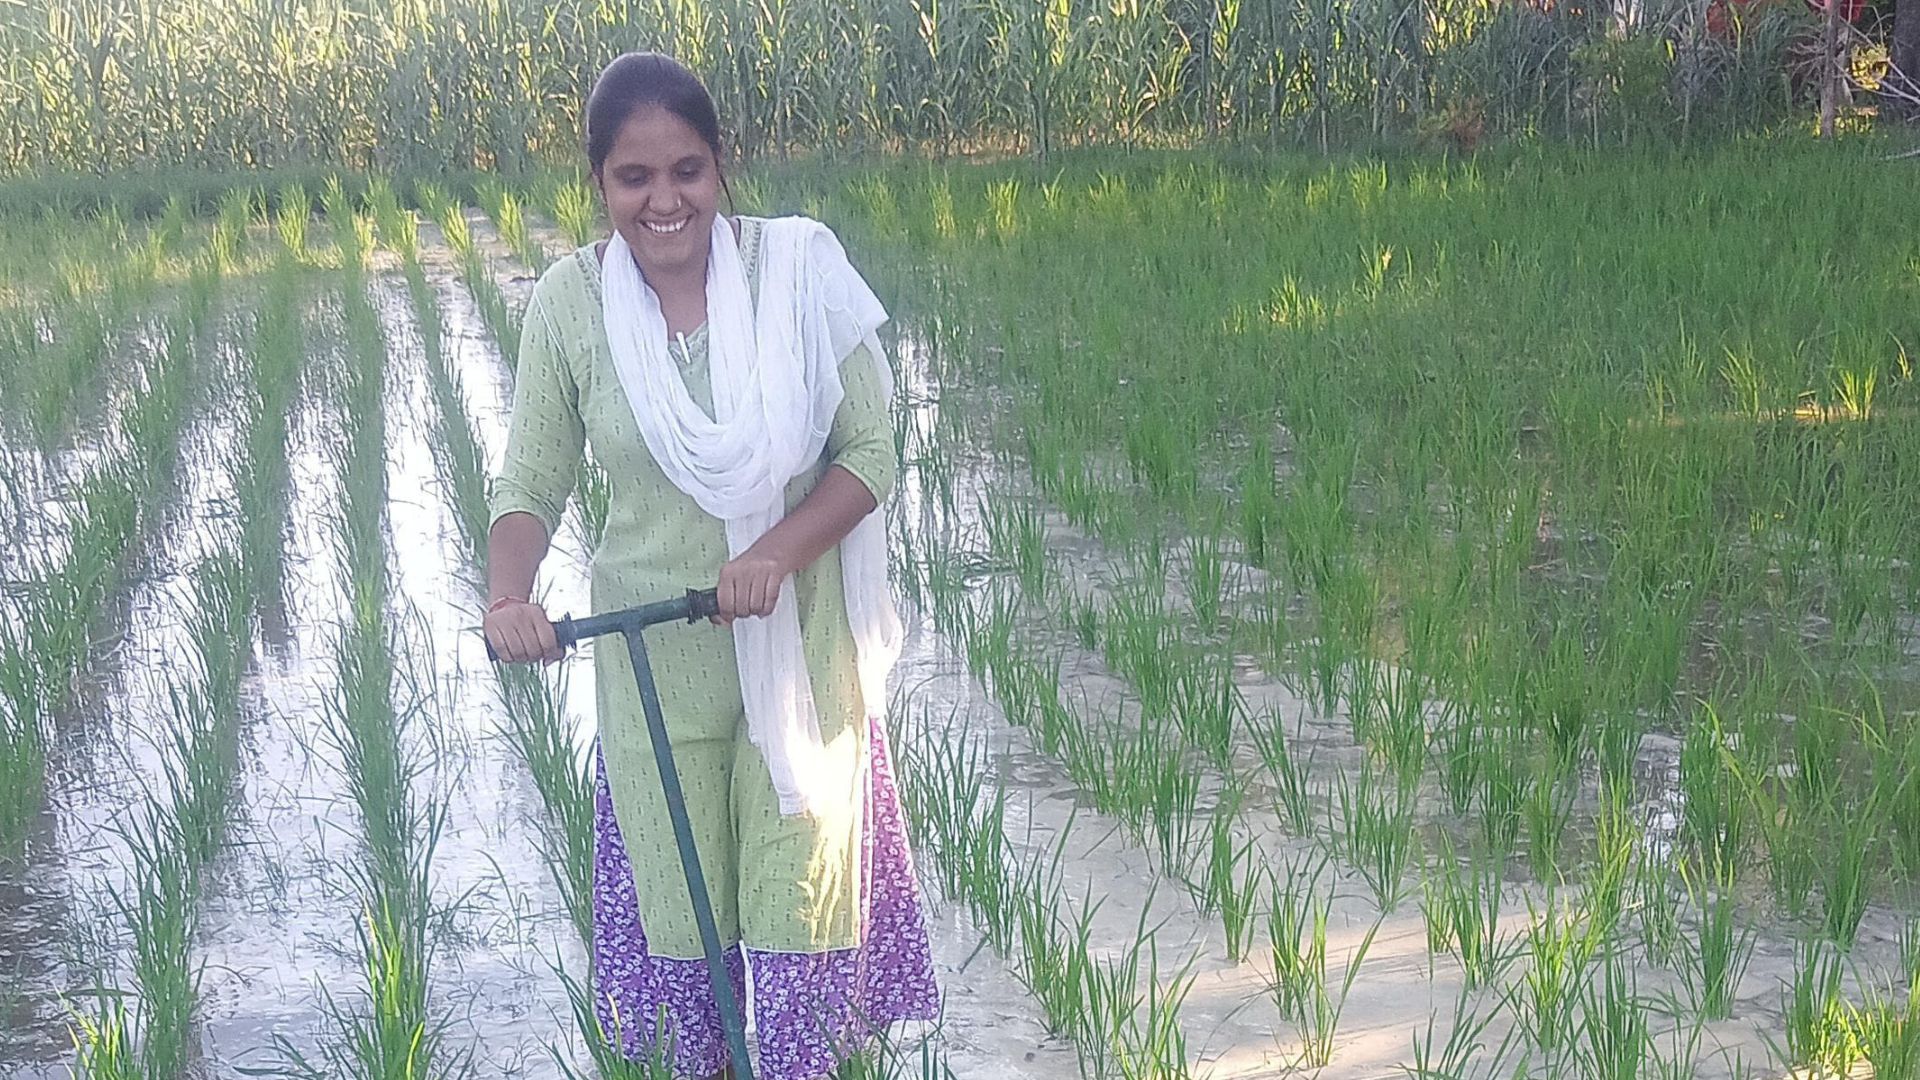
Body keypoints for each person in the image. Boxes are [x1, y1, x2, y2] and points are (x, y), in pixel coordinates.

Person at [482, 51, 940, 1080]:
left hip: (799, 670)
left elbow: (870, 452)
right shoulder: (570, 303)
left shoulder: (798, 272)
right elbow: (528, 485)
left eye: (685, 169)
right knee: (687, 973)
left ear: (721, 167)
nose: (663, 199)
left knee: (795, 960)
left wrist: (773, 554)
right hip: (653, 678)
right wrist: (508, 595)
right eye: (633, 177)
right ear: (598, 184)